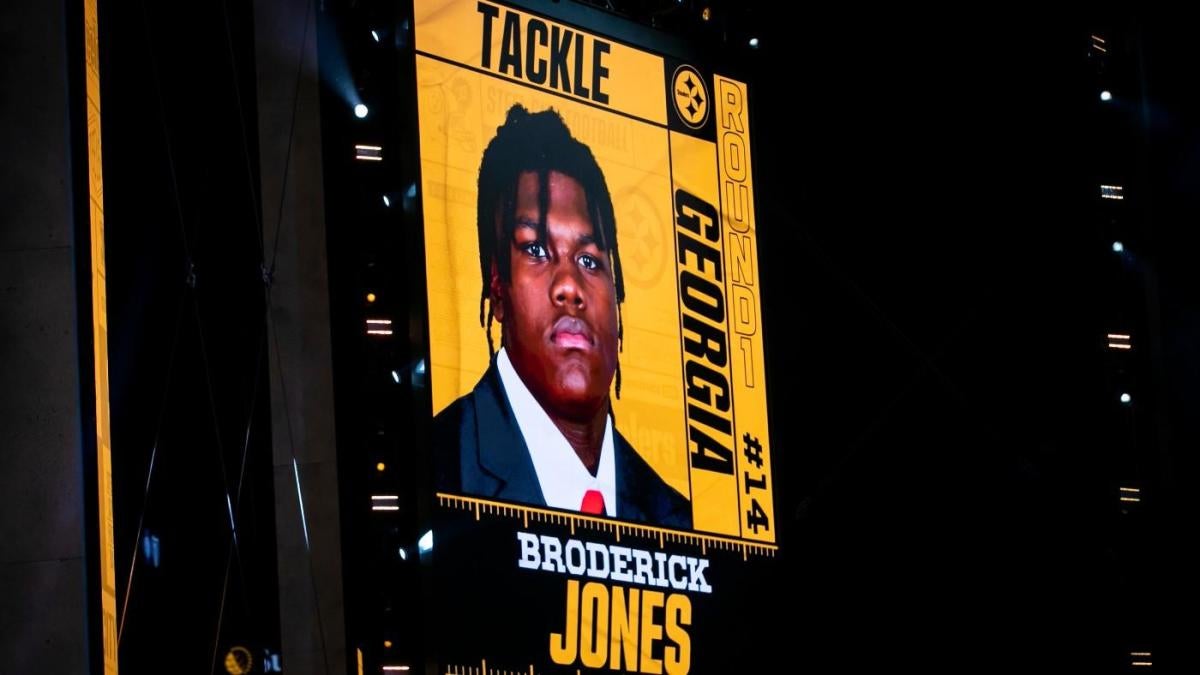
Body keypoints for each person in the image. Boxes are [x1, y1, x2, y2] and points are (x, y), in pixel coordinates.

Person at [434, 104, 691, 529]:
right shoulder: (437, 467)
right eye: (536, 250)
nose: (570, 286)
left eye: (590, 260)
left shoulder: (679, 519)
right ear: (497, 286)